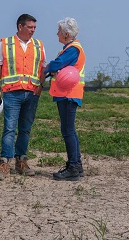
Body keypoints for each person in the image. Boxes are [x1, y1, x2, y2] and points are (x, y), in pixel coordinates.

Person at [0, 13, 47, 180]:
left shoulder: (39, 45)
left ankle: (21, 161)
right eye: (30, 27)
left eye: (34, 27)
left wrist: (41, 87)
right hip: (11, 93)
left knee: (25, 129)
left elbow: (43, 67)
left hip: (32, 93)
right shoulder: (5, 44)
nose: (33, 31)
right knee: (9, 128)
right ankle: (4, 163)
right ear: (20, 27)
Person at [45, 17, 86, 181]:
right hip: (68, 94)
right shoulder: (71, 48)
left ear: (66, 34)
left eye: (59, 32)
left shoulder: (72, 50)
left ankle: (73, 168)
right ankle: (77, 165)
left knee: (68, 131)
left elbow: (56, 65)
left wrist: (49, 68)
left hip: (68, 94)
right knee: (70, 130)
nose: (57, 34)